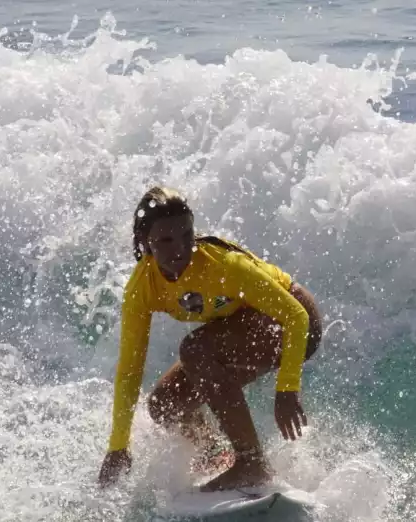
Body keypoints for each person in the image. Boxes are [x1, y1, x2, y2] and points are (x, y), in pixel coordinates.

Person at [97, 186, 323, 492]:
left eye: (186, 235)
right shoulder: (142, 287)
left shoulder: (222, 264)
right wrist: (118, 446)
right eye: (165, 240)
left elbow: (296, 316)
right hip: (242, 327)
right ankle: (216, 455)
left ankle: (251, 463)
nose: (180, 248)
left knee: (195, 350)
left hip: (294, 322)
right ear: (144, 242)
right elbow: (129, 369)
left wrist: (287, 389)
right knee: (166, 404)